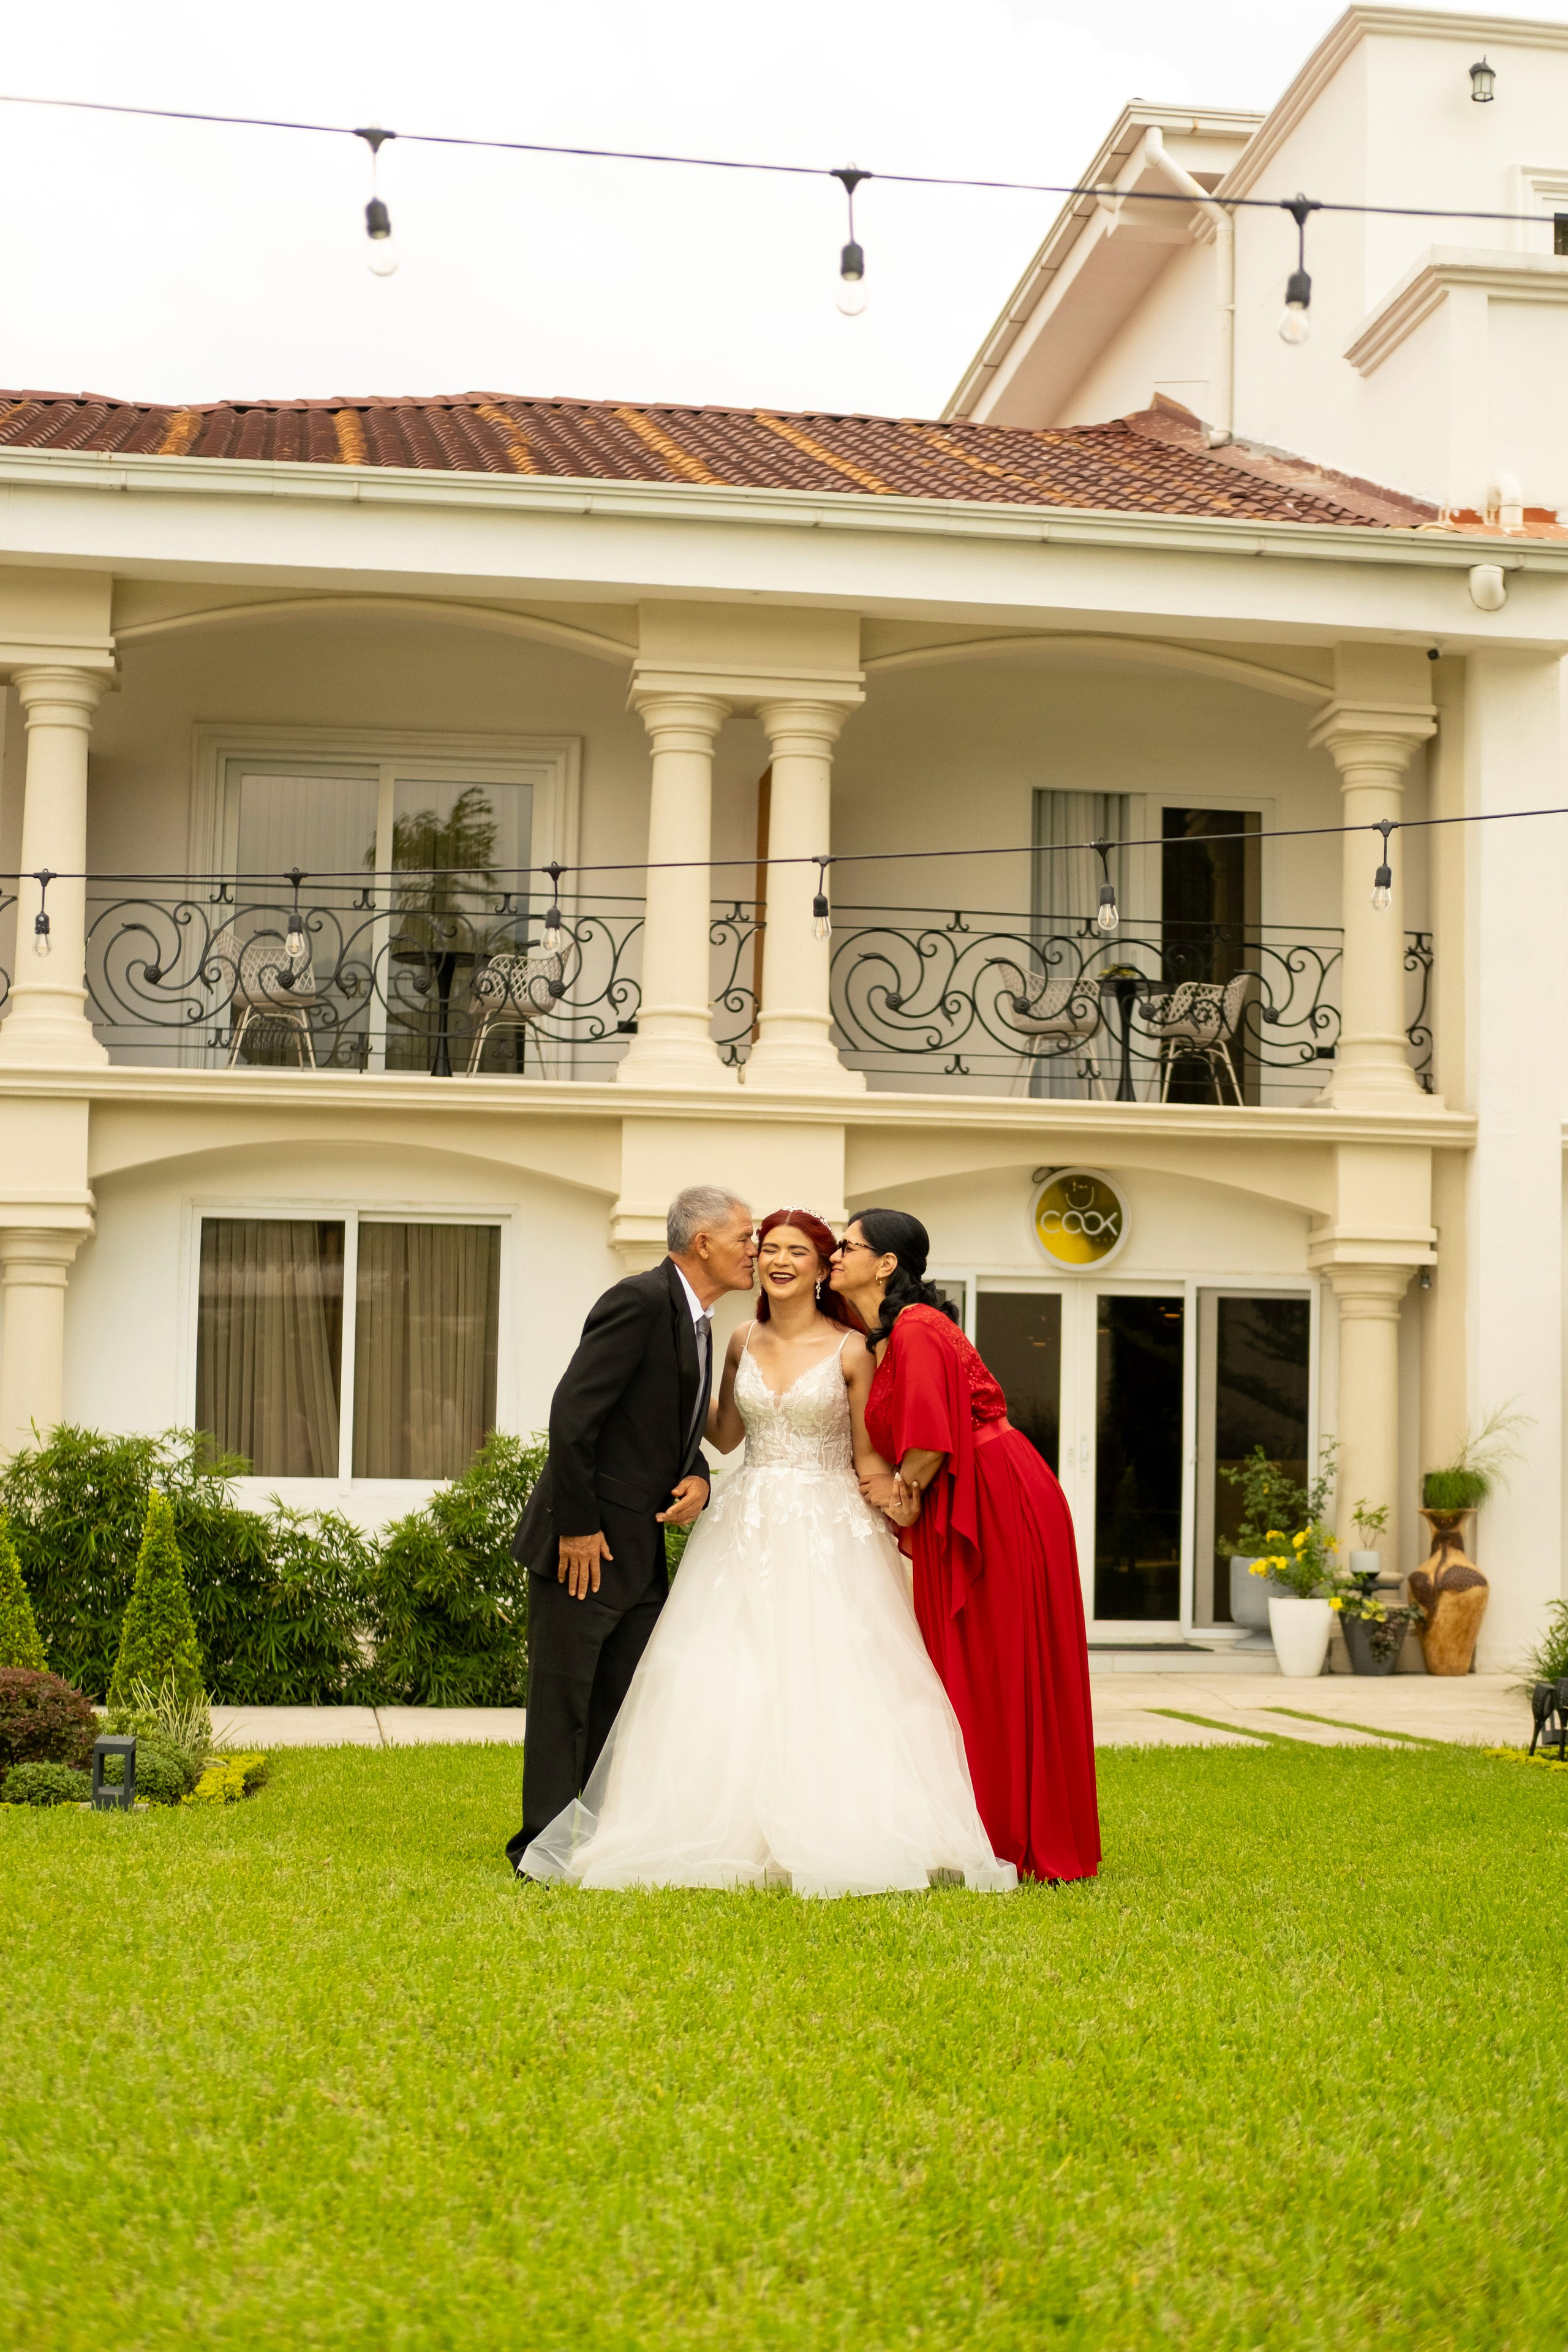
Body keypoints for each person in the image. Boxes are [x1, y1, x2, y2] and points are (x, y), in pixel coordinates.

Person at [518, 1207, 1015, 1896]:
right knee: (722, 1671)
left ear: (821, 1269)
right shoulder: (737, 1339)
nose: (777, 1259)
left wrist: (903, 1501)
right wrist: (691, 1468)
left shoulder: (852, 1348)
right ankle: (698, 1825)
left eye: (798, 1251)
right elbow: (718, 1431)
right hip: (746, 1521)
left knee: (833, 1674)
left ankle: (844, 1823)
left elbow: (868, 1453)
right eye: (767, 1247)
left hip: (827, 1524)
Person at [830, 1208, 1100, 1884]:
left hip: (996, 1497)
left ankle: (1014, 1830)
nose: (834, 1255)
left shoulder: (918, 1328)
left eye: (846, 1246)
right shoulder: (887, 1333)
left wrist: (901, 1491)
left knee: (998, 1660)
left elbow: (929, 1435)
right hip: (973, 1491)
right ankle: (991, 1819)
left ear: (886, 1263)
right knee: (977, 1665)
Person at [504, 1185, 758, 1871]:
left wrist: (700, 1475)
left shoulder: (697, 1319)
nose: (755, 1250)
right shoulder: (639, 1300)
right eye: (745, 1237)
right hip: (585, 1544)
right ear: (701, 1242)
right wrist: (577, 1530)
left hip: (640, 1552)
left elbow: (661, 1423)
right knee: (566, 1697)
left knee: (620, 1702)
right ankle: (542, 1848)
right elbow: (573, 1416)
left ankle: (594, 1837)